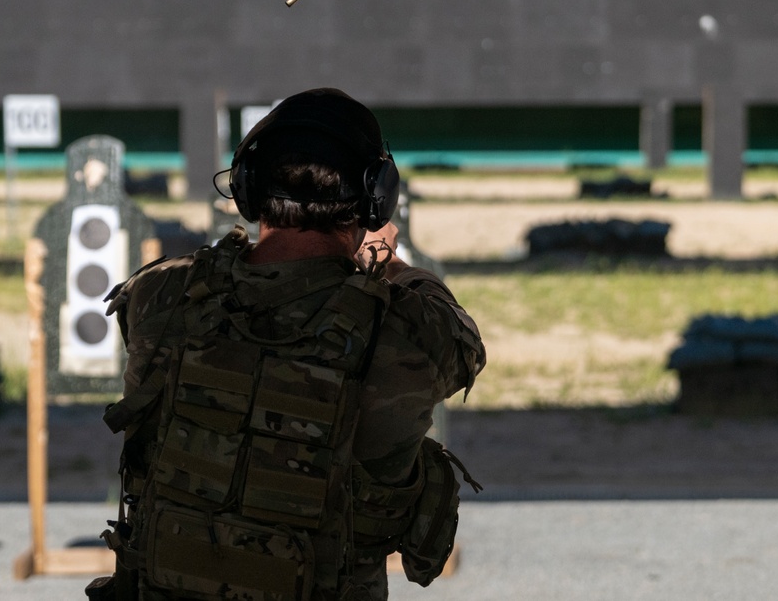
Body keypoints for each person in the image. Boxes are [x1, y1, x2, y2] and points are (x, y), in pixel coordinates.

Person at [90, 88, 486, 601]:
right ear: (376, 199)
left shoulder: (160, 294)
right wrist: (387, 261)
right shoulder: (405, 330)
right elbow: (463, 344)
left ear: (248, 188)